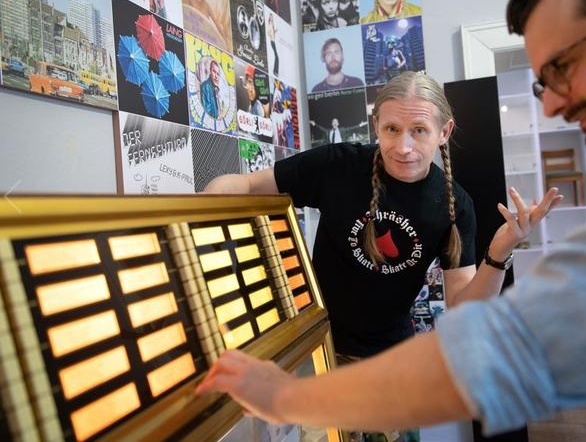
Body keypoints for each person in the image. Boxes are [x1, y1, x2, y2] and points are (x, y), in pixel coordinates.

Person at [197, 0, 586, 440]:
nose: (551, 105)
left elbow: (512, 350)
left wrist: (283, 398)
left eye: (564, 66)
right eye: (391, 130)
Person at [202, 71, 560, 440]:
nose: (403, 147)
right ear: (376, 125)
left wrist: (499, 253)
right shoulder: (337, 165)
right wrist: (188, 218)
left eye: (419, 130)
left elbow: (464, 307)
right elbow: (245, 186)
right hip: (316, 350)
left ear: (444, 132)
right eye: (391, 129)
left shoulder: (454, 205)